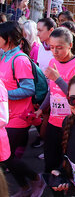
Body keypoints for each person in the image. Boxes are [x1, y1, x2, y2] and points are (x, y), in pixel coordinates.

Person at [38, 27, 75, 176]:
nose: (54, 52)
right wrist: (42, 108)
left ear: (70, 45)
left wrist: (58, 78)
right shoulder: (52, 61)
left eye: (59, 48)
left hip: (72, 124)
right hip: (54, 122)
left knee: (68, 165)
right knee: (50, 163)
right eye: (52, 47)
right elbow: (52, 90)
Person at [0, 22, 46, 197]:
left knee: (6, 157)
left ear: (8, 39)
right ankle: (25, 188)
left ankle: (36, 179)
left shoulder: (20, 59)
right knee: (6, 158)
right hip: (6, 116)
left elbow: (28, 89)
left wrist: (4, 93)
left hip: (19, 117)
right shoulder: (5, 57)